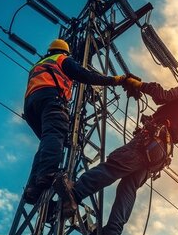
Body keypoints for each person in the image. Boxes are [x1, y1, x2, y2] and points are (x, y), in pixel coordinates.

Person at [63, 77, 178, 235]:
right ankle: (111, 233)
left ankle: (75, 193)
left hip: (148, 143)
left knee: (114, 167)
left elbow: (161, 96)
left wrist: (140, 86)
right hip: (159, 156)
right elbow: (175, 124)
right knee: (129, 187)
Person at [22, 39, 126, 209]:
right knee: (55, 134)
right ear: (65, 52)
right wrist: (115, 80)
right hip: (51, 98)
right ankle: (47, 173)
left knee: (46, 142)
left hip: (31, 106)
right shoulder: (62, 59)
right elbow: (84, 75)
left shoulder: (40, 63)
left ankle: (33, 188)